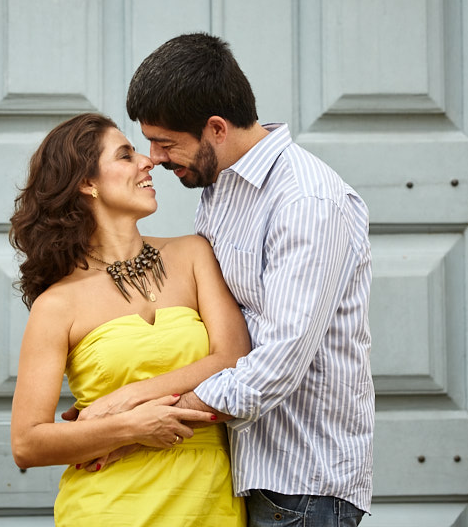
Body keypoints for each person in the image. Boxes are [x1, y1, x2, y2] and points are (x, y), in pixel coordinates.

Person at [123, 33, 375, 526]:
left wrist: (151, 418)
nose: (152, 157)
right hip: (246, 470)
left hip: (301, 486)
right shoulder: (221, 185)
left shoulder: (305, 201)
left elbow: (279, 361)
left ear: (216, 128)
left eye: (166, 143)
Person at [8, 112, 250, 526]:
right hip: (109, 507)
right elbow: (27, 443)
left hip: (211, 502)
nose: (148, 161)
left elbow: (233, 357)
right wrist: (132, 427)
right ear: (87, 183)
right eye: (125, 155)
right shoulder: (58, 305)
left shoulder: (193, 254)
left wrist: (128, 400)